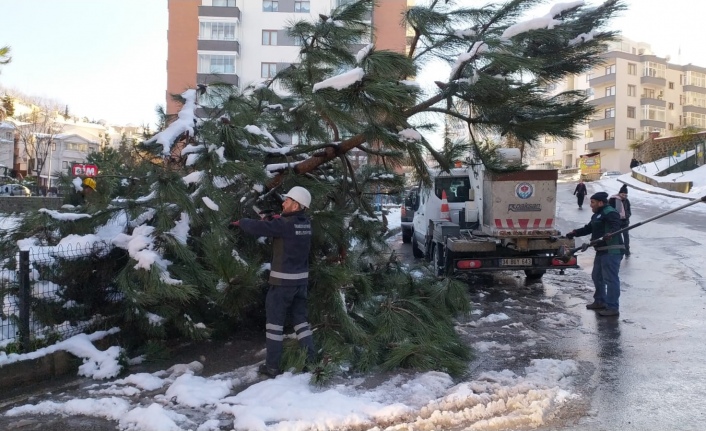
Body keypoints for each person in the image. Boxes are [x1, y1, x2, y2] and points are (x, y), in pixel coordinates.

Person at [231, 186, 315, 377]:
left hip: (282, 285)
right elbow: (288, 226)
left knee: (274, 326)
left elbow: (259, 227)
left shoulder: (284, 226)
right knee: (301, 323)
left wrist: (242, 222)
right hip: (300, 284)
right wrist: (277, 218)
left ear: (296, 205)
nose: (283, 203)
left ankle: (272, 367)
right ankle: (312, 362)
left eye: (287, 200)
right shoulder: (306, 223)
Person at [565, 191, 625, 316]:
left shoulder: (610, 212)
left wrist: (610, 233)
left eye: (592, 202)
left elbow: (616, 225)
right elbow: (589, 228)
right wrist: (575, 232)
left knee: (610, 279)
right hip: (601, 250)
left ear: (600, 202)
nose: (591, 205)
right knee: (597, 276)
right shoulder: (597, 215)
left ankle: (613, 307)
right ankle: (600, 301)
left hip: (612, 250)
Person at [609, 184, 632, 256]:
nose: (624, 196)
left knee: (626, 236)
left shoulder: (626, 200)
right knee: (617, 236)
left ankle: (627, 250)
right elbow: (610, 210)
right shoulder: (613, 199)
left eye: (625, 195)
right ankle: (618, 250)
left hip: (625, 221)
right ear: (619, 193)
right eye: (623, 194)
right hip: (617, 221)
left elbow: (628, 210)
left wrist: (627, 215)